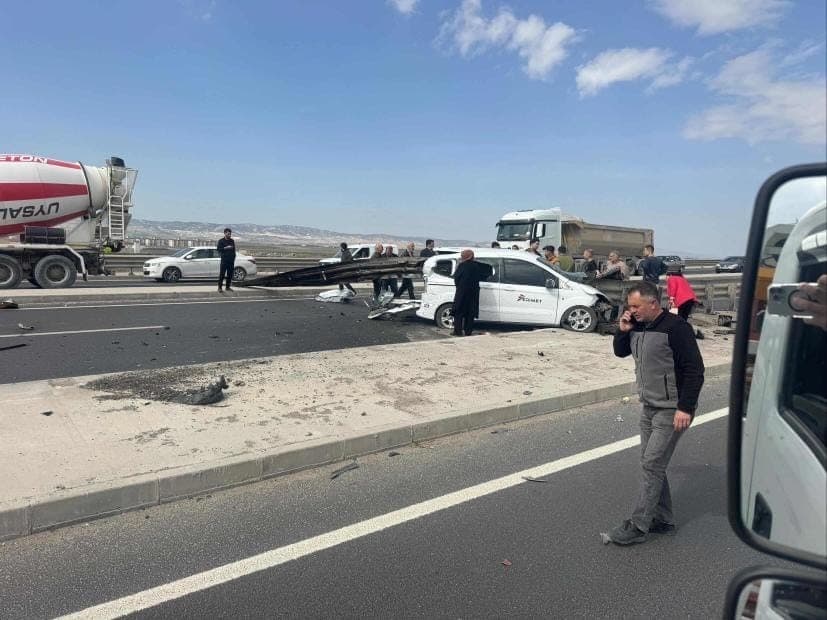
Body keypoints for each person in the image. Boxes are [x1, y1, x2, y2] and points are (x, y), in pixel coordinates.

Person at [606, 281, 705, 545]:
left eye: (636, 306)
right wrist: (622, 330)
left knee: (651, 464)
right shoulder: (636, 325)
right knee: (653, 465)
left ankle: (639, 525)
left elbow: (695, 370)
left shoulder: (677, 328)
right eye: (629, 306)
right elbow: (620, 351)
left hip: (672, 410)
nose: (632, 310)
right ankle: (664, 519)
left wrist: (685, 407)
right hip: (649, 407)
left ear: (653, 303)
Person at [452, 249, 493, 337]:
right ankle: (468, 332)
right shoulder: (477, 266)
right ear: (472, 256)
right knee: (470, 313)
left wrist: (459, 287)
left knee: (458, 312)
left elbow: (456, 278)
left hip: (462, 293)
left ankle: (458, 332)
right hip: (473, 293)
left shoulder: (462, 266)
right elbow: (485, 275)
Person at [217, 228, 236, 292]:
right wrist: (226, 248)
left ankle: (227, 287)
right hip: (224, 261)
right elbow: (218, 249)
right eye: (228, 234)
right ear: (225, 233)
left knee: (230, 275)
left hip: (231, 261)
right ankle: (219, 287)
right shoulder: (221, 241)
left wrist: (233, 258)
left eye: (230, 234)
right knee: (222, 274)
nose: (229, 235)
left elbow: (233, 250)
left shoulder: (232, 241)